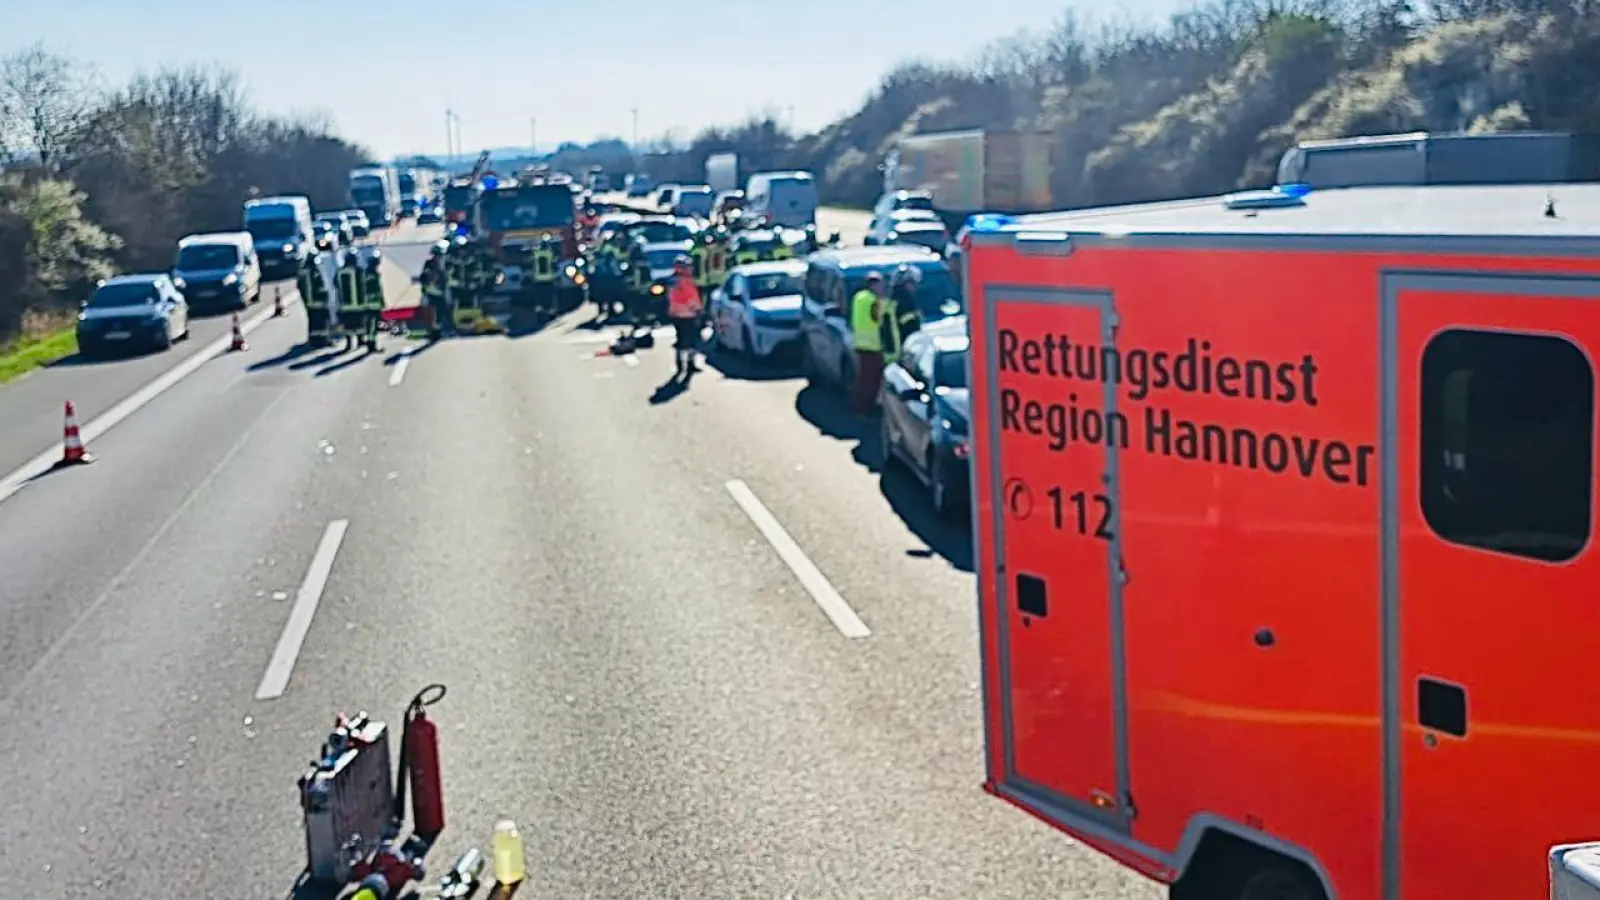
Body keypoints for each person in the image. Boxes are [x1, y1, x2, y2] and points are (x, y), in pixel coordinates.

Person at [850, 272, 887, 415]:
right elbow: (878, 319)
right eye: (880, 284)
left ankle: (858, 405)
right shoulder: (874, 300)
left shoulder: (859, 297)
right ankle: (864, 409)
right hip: (873, 346)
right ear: (874, 285)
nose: (882, 287)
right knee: (871, 382)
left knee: (862, 379)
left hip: (860, 343)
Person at [666, 254, 704, 378]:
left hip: (676, 314)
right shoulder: (685, 281)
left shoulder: (673, 280)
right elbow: (690, 298)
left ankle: (680, 365)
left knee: (680, 340)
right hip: (688, 314)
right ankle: (689, 364)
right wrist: (698, 310)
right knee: (691, 341)